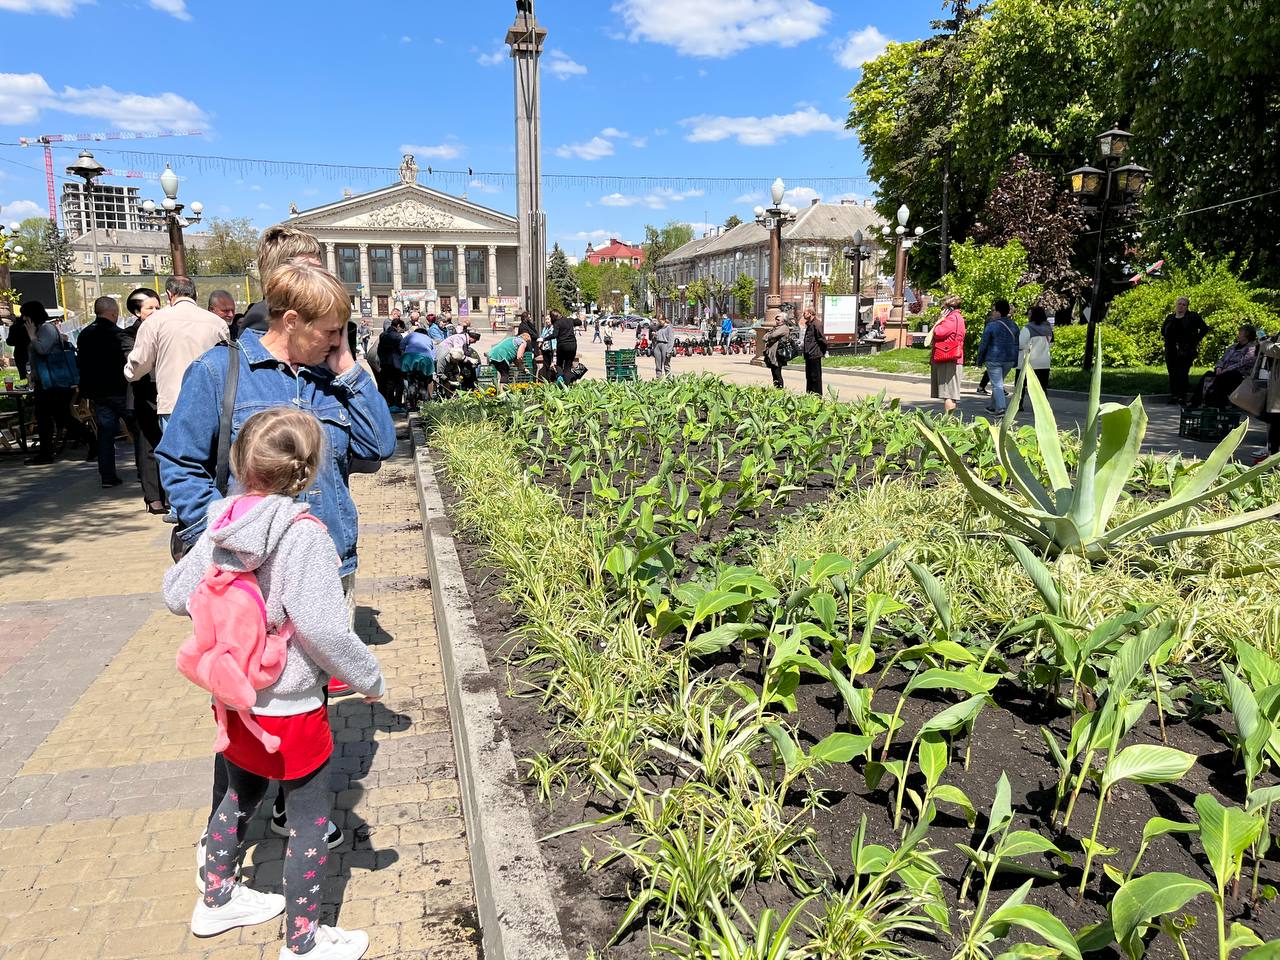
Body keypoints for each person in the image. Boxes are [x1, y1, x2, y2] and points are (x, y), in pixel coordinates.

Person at [165, 407, 384, 960]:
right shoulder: (304, 536)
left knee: (239, 794)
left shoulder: (221, 521)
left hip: (234, 695)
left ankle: (216, 898)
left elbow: (175, 594)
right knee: (310, 819)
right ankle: (304, 940)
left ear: (239, 461)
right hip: (290, 703)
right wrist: (369, 677)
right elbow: (324, 631)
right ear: (307, 471)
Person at [124, 276, 229, 431]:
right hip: (210, 402)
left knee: (175, 446)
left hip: (173, 402)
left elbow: (139, 362)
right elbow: (226, 362)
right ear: (195, 294)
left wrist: (130, 373)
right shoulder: (217, 323)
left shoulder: (155, 321)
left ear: (169, 294)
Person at [22, 301, 93, 465]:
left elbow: (43, 350)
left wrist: (32, 336)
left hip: (54, 383)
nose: (23, 319)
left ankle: (91, 440)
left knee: (61, 417)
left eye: (25, 315)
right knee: (46, 418)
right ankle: (45, 453)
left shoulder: (46, 329)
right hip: (44, 382)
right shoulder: (40, 329)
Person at [76, 296, 135, 488]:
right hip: (120, 390)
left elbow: (81, 364)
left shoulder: (84, 335)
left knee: (105, 434)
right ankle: (144, 471)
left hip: (98, 392)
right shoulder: (118, 335)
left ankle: (107, 476)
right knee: (137, 430)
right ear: (114, 313)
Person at [122, 288, 167, 512]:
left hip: (166, 392)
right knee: (148, 445)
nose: (156, 312)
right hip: (144, 395)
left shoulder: (166, 328)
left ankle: (168, 495)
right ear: (136, 312)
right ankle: (153, 497)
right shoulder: (128, 335)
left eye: (158, 307)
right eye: (150, 308)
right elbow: (136, 364)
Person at [237, 226, 323, 339]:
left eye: (319, 269)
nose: (319, 277)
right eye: (307, 269)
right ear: (277, 272)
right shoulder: (263, 317)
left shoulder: (322, 310)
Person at [1186, 324, 1258, 409]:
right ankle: (1195, 402)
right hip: (1224, 371)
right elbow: (1222, 359)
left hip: (1239, 374)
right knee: (1208, 374)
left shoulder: (1252, 348)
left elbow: (1242, 363)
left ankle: (1217, 404)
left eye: (1240, 333)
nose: (1238, 335)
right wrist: (1218, 368)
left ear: (1247, 335)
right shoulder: (1233, 347)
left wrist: (1226, 370)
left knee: (1223, 377)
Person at [1162, 296, 1209, 404]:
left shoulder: (1192, 317)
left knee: (1182, 373)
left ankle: (1182, 396)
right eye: (1179, 304)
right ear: (1176, 305)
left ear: (1187, 307)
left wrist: (1195, 340)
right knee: (1172, 373)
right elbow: (1163, 331)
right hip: (1171, 350)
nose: (1181, 306)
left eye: (1184, 304)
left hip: (1186, 350)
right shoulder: (1170, 318)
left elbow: (1204, 328)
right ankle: (1174, 395)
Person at [976, 299, 1019, 415]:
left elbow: (984, 344)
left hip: (993, 359)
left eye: (993, 311)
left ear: (998, 313)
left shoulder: (991, 325)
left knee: (997, 384)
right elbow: (1016, 345)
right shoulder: (1014, 325)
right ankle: (992, 406)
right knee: (998, 383)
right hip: (1009, 359)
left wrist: (979, 360)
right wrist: (1015, 360)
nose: (992, 313)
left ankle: (1001, 408)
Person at [929, 294, 966, 414]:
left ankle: (947, 421)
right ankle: (949, 420)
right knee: (950, 393)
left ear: (949, 308)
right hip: (953, 358)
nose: (942, 310)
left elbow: (938, 332)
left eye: (943, 307)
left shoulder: (951, 318)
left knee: (949, 394)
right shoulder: (959, 317)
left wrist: (940, 320)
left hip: (948, 359)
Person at [1019, 305, 1054, 392]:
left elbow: (1020, 345)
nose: (1028, 316)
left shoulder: (1027, 328)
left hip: (1029, 363)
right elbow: (1051, 344)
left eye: (1029, 314)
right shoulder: (1049, 329)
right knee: (1042, 390)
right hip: (1045, 362)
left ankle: (1020, 402)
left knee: (1020, 388)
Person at [400, 320, 436, 403]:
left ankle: (411, 403)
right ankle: (425, 402)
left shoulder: (411, 335)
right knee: (424, 382)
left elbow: (401, 346)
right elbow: (433, 356)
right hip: (425, 360)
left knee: (410, 381)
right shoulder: (429, 339)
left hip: (409, 359)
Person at [374, 319, 405, 411]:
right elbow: (401, 350)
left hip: (384, 362)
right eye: (401, 328)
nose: (401, 331)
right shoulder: (398, 336)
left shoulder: (382, 335)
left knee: (386, 383)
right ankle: (397, 404)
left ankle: (388, 403)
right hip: (395, 363)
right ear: (398, 326)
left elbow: (379, 349)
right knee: (399, 384)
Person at [762, 313, 797, 389]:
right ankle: (776, 389)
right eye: (776, 319)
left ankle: (780, 390)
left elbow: (773, 335)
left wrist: (770, 335)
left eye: (778, 319)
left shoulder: (784, 328)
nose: (776, 321)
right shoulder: (776, 328)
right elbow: (764, 337)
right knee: (774, 374)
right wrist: (770, 335)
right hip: (772, 354)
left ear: (783, 320)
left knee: (777, 373)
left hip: (778, 354)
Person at [801, 306, 828, 395]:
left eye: (804, 313)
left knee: (815, 377)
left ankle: (817, 395)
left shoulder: (817, 324)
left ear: (810, 313)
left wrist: (822, 351)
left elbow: (822, 339)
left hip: (815, 354)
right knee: (809, 377)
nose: (803, 315)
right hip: (809, 354)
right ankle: (809, 394)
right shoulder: (809, 324)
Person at [551, 309, 577, 384]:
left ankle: (560, 377)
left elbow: (554, 335)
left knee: (559, 364)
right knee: (567, 367)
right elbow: (579, 322)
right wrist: (575, 319)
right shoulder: (569, 320)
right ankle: (567, 385)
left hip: (562, 346)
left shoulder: (557, 323)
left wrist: (544, 339)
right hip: (572, 345)